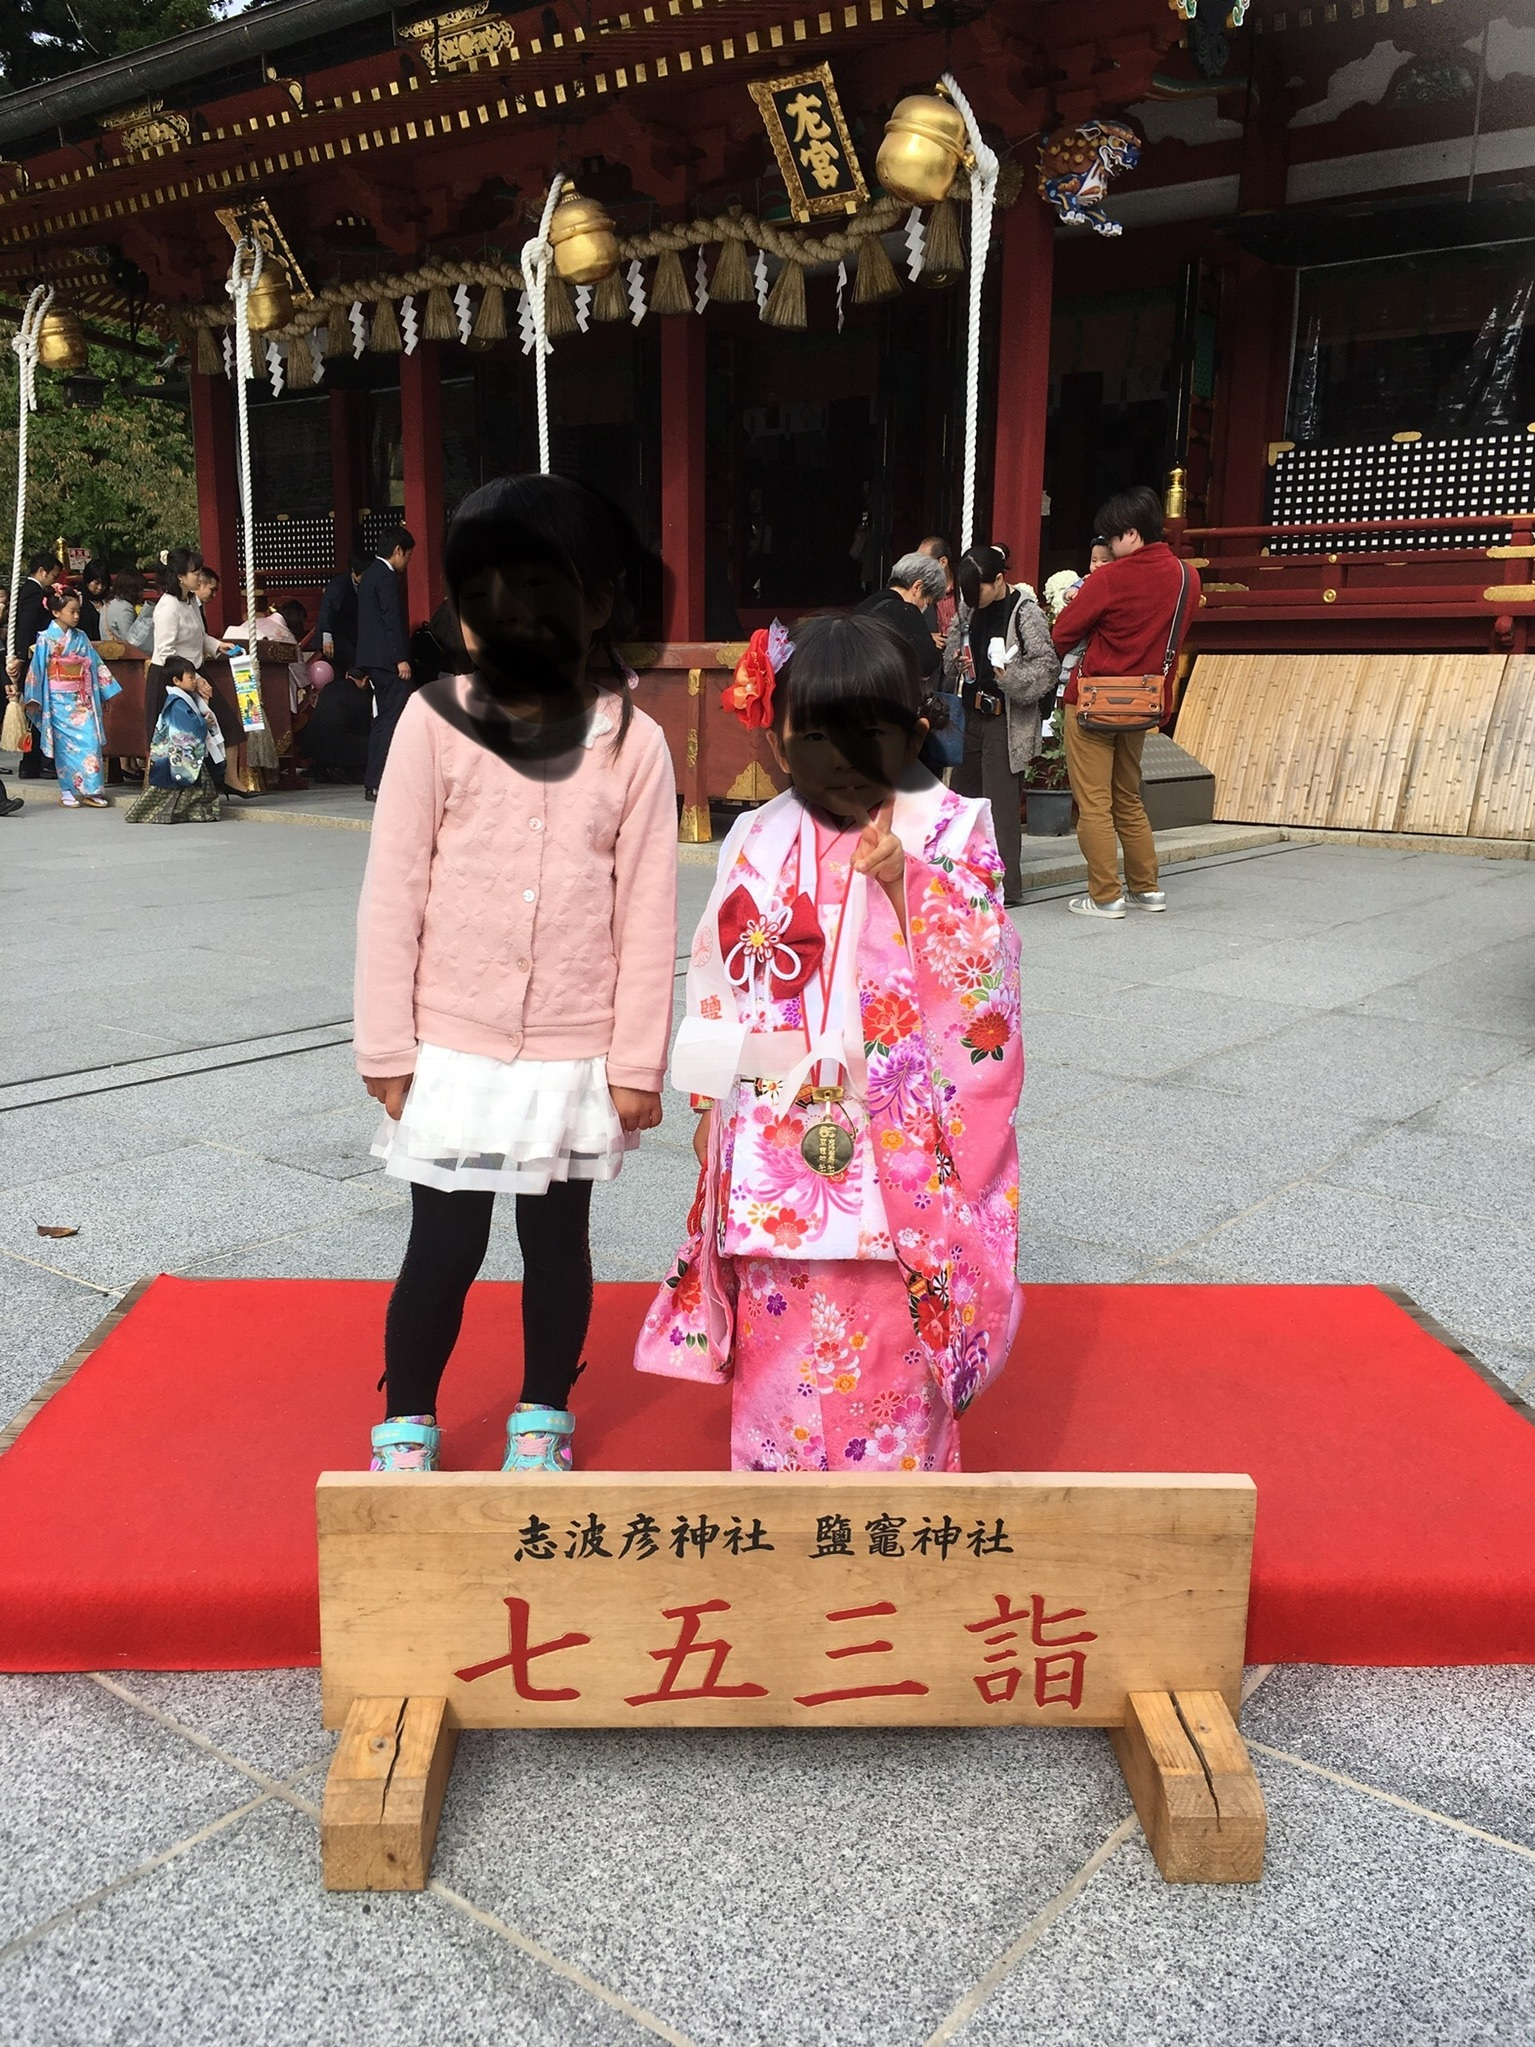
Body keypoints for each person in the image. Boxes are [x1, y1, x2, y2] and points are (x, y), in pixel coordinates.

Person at [635, 611, 1023, 1472]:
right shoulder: (757, 835)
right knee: (782, 1341)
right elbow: (716, 972)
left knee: (888, 1338)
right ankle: (778, 1505)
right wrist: (707, 1099)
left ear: (911, 732)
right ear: (781, 735)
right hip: (775, 1128)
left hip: (897, 1145)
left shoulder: (951, 829)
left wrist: (908, 883)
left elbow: (985, 974)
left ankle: (897, 1506)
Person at [353, 474, 677, 1477]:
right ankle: (407, 1420)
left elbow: (647, 907)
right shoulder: (432, 721)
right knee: (443, 1246)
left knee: (556, 1243)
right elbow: (392, 885)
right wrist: (384, 1039)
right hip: (452, 1039)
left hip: (575, 1045)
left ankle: (542, 1412)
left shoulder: (633, 741)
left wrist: (636, 1062)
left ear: (596, 602)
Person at [1051, 486, 1200, 920]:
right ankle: (1146, 888)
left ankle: (1104, 896)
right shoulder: (1187, 577)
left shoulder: (1109, 578)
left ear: (1131, 534)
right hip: (1142, 701)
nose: (1110, 547)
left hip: (1094, 701)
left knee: (1094, 803)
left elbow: (1062, 632)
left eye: (1113, 538)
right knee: (1128, 797)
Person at [945, 545, 1060, 907]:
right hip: (970, 714)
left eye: (977, 591)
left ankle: (1005, 888)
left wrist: (1010, 677)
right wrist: (956, 660)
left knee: (1000, 807)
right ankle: (959, 879)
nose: (972, 601)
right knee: (961, 802)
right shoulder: (968, 605)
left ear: (999, 579)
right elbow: (951, 648)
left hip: (1004, 718)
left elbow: (1047, 667)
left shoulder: (1025, 612)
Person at [23, 584, 122, 806]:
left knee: (90, 740)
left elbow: (95, 666)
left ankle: (92, 788)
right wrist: (32, 698)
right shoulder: (45, 639)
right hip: (57, 701)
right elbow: (37, 670)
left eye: (78, 611)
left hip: (82, 698)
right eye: (72, 611)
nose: (77, 616)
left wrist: (104, 693)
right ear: (56, 612)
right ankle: (67, 789)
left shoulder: (82, 638)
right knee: (64, 747)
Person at [125, 653, 225, 825]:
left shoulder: (183, 699)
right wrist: (203, 724)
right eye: (191, 677)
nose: (194, 681)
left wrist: (204, 713)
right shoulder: (177, 703)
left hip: (180, 753)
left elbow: (195, 719)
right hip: (176, 756)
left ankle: (190, 813)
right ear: (176, 680)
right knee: (185, 787)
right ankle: (190, 813)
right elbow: (188, 726)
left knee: (189, 788)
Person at [356, 526, 415, 799]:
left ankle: (375, 779)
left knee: (384, 716)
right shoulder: (387, 578)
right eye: (408, 556)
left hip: (372, 657)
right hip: (388, 658)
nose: (408, 562)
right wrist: (401, 658)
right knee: (394, 715)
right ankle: (381, 777)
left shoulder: (368, 576)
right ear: (398, 550)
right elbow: (392, 621)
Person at [854, 552, 947, 683]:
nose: (926, 607)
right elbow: (927, 664)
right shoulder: (907, 612)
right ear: (917, 587)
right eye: (927, 601)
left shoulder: (866, 605)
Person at [8, 553, 61, 781]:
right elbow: (27, 626)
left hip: (32, 656)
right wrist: (20, 656)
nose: (52, 579)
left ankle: (31, 763)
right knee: (35, 709)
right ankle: (34, 761)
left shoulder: (31, 591)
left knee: (34, 710)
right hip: (31, 658)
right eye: (53, 575)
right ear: (42, 571)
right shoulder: (32, 593)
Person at [316, 552, 365, 677]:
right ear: (354, 570)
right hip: (334, 634)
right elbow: (327, 609)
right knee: (352, 659)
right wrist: (327, 636)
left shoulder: (365, 585)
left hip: (351, 632)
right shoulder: (338, 586)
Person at [102, 570, 156, 652]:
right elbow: (130, 640)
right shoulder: (125, 608)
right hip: (122, 657)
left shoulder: (108, 603)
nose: (142, 593)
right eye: (140, 589)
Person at [917, 534, 958, 640]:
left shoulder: (963, 589)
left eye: (925, 562)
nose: (919, 567)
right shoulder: (917, 591)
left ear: (943, 562)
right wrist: (927, 638)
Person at [77, 562, 109, 642]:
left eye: (104, 584)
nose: (100, 588)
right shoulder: (78, 599)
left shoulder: (108, 600)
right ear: (88, 581)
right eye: (96, 583)